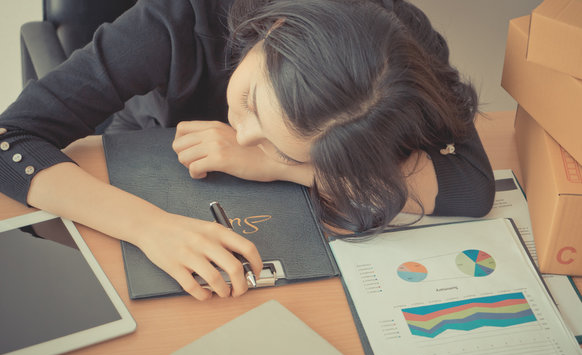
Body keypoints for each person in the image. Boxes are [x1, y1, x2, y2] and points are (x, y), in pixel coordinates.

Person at [0, 0, 495, 300]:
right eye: (248, 103)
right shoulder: (177, 18)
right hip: (153, 153)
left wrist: (276, 167)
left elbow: (471, 187)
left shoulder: (403, 51)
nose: (242, 135)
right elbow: (9, 140)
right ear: (277, 29)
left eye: (293, 149)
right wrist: (151, 228)